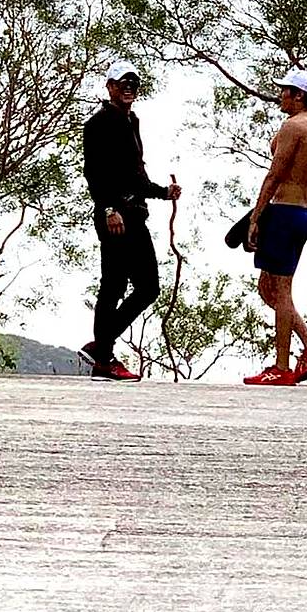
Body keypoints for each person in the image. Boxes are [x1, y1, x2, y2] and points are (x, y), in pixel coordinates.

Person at [79, 60, 181, 380]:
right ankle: (104, 356)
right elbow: (95, 173)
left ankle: (101, 348)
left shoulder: (131, 121)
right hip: (115, 215)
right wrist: (109, 209)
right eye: (122, 83)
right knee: (115, 286)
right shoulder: (99, 124)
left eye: (133, 84)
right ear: (110, 87)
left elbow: (135, 176)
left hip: (135, 213)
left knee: (146, 287)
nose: (128, 88)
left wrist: (163, 192)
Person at [244, 66, 307, 386]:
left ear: (299, 96)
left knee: (280, 290)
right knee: (267, 287)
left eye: (285, 91)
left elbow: (275, 174)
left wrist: (256, 216)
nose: (280, 95)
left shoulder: (294, 126)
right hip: (302, 211)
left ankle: (281, 366)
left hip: (284, 210)